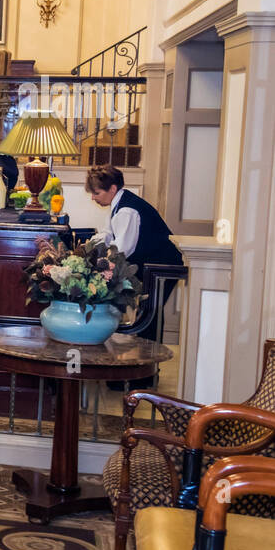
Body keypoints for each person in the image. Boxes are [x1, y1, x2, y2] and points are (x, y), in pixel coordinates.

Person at [85, 164, 184, 386]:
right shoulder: (119, 204)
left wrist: (98, 264)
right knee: (147, 315)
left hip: (161, 265)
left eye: (96, 192)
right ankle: (139, 372)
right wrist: (90, 244)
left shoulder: (127, 210)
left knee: (148, 316)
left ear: (112, 188)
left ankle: (141, 376)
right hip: (152, 265)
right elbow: (109, 234)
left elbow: (121, 250)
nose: (93, 197)